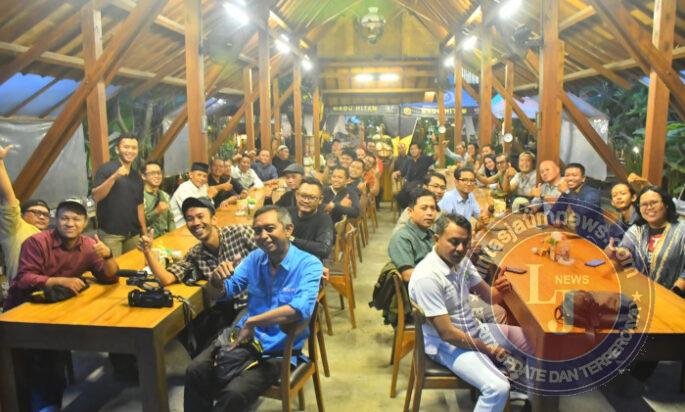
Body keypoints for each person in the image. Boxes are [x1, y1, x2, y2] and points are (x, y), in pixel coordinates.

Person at [184, 205, 323, 412]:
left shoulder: (309, 264)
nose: (263, 236)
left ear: (288, 230)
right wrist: (216, 281)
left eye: (270, 228)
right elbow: (225, 292)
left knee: (234, 393)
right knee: (195, 370)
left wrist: (252, 321)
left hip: (277, 351)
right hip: (243, 339)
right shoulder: (255, 259)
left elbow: (299, 308)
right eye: (257, 231)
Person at [408, 213, 531, 412]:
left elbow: (489, 296)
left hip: (474, 330)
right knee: (497, 388)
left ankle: (528, 398)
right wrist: (487, 348)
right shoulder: (427, 277)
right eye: (454, 241)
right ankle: (509, 391)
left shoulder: (462, 262)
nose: (460, 248)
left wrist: (501, 287)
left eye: (465, 243)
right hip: (448, 345)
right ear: (437, 239)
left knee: (534, 342)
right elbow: (447, 334)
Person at [4, 200, 119, 411]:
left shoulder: (88, 245)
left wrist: (108, 255)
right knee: (31, 365)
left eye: (76, 219)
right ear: (56, 220)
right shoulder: (37, 242)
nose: (70, 223)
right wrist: (60, 281)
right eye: (64, 218)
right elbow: (24, 279)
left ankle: (49, 402)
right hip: (23, 310)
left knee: (52, 359)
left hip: (56, 309)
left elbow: (109, 277)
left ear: (85, 222)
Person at [138, 196, 256, 349]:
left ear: (214, 219)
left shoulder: (241, 234)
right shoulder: (196, 254)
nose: (195, 223)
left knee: (219, 353)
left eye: (200, 216)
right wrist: (148, 252)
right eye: (190, 219)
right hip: (227, 311)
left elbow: (276, 259)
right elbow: (167, 279)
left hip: (255, 305)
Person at [606, 186, 685, 292]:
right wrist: (618, 253)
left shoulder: (682, 230)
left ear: (666, 204)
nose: (649, 207)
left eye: (654, 202)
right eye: (644, 204)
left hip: (672, 294)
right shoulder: (637, 229)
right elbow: (624, 248)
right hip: (640, 291)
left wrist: (675, 291)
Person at [0, 144, 50, 289]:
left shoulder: (50, 235)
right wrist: (0, 163)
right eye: (36, 212)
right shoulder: (15, 227)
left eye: (46, 214)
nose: (42, 217)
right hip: (22, 291)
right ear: (22, 215)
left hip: (48, 288)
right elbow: (8, 196)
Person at [91, 135, 146, 256]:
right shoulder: (106, 169)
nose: (130, 151)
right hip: (111, 235)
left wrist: (144, 233)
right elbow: (96, 196)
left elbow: (140, 207)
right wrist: (114, 177)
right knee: (113, 267)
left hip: (133, 234)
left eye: (134, 148)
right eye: (126, 147)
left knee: (134, 266)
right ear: (117, 149)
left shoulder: (136, 176)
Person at [548, 163, 607, 247]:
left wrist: (567, 192)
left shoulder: (592, 193)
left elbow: (583, 210)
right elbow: (552, 214)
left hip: (591, 239)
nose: (570, 178)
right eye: (567, 175)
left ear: (583, 178)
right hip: (570, 235)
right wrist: (555, 220)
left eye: (574, 175)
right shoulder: (568, 192)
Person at [388, 189, 437, 282]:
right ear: (410, 212)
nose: (430, 213)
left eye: (433, 208)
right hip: (421, 288)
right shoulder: (402, 238)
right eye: (424, 208)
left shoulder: (431, 234)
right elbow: (407, 275)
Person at [287, 177, 334, 261]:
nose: (306, 201)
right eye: (303, 196)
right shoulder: (287, 213)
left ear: (320, 199)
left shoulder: (324, 219)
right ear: (297, 195)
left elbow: (324, 249)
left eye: (312, 197)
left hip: (309, 264)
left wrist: (291, 239)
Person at [170, 162, 212, 228]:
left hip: (197, 223)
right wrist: (208, 197)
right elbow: (193, 212)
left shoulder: (203, 186)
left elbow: (211, 208)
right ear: (191, 175)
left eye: (204, 176)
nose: (202, 178)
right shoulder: (184, 188)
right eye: (199, 175)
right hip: (179, 227)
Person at [393, 143, 435, 209]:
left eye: (415, 149)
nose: (413, 151)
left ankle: (415, 210)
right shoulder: (408, 161)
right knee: (400, 196)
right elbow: (402, 172)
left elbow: (436, 156)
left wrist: (435, 142)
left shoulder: (425, 159)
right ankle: (409, 210)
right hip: (408, 186)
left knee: (414, 194)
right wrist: (396, 173)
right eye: (411, 149)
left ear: (420, 150)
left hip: (420, 186)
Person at [142, 161, 175, 237]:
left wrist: (173, 236)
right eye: (152, 173)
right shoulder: (139, 196)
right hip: (148, 239)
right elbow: (139, 224)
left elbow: (170, 219)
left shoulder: (164, 195)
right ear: (143, 176)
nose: (157, 176)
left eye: (159, 173)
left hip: (165, 237)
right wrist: (156, 211)